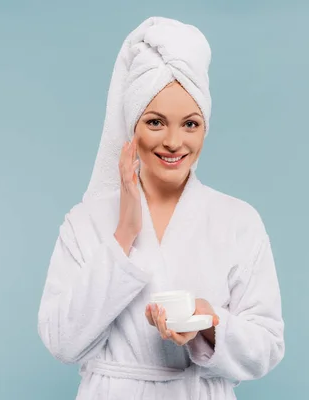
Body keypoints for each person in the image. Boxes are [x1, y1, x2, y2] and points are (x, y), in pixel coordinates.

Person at [37, 16, 285, 400]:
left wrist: (209, 322)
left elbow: (267, 346)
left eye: (190, 124)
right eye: (155, 122)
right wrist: (123, 235)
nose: (174, 141)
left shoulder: (238, 221)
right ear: (132, 126)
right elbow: (61, 342)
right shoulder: (85, 221)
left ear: (206, 127)